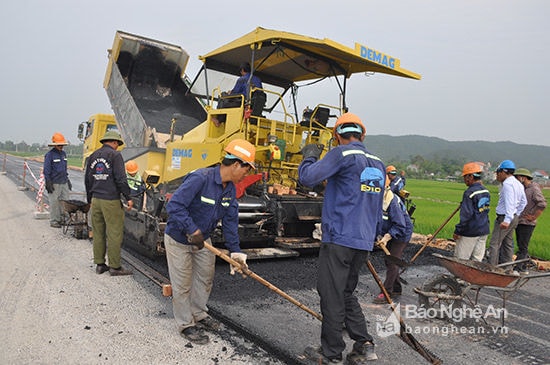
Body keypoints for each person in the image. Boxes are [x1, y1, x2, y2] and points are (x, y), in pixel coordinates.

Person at [298, 112, 382, 364]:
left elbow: (307, 178)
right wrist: (372, 236)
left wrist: (309, 156)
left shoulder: (341, 153)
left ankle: (331, 352)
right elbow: (374, 203)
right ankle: (364, 344)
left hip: (339, 238)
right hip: (363, 240)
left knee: (331, 293)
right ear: (362, 134)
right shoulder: (377, 163)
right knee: (346, 291)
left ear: (337, 136)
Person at [164, 139, 254, 345]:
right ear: (236, 164)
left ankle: (199, 312)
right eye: (246, 170)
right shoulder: (200, 178)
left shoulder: (230, 190)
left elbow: (230, 221)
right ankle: (186, 324)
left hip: (203, 240)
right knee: (182, 283)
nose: (246, 175)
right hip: (179, 238)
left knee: (205, 277)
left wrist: (235, 251)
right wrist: (191, 229)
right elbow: (175, 205)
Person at [85, 131, 134, 276]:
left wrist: (90, 200)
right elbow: (120, 179)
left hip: (96, 200)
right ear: (113, 142)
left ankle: (100, 265)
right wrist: (128, 197)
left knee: (98, 232)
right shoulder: (115, 155)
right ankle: (115, 267)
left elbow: (88, 179)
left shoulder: (93, 156)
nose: (118, 147)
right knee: (114, 233)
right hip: (110, 200)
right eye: (117, 144)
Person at [372, 178, 413, 304]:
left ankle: (386, 292)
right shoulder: (376, 199)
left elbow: (400, 226)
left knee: (392, 261)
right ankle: (396, 288)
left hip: (401, 233)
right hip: (389, 230)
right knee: (388, 259)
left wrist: (386, 237)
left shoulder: (392, 201)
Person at [487, 160, 527, 266]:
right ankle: (507, 268)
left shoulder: (507, 185)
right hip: (514, 217)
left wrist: (507, 219)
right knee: (507, 244)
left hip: (505, 218)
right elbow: (524, 202)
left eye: (498, 173)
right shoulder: (518, 184)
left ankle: (492, 268)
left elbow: (510, 203)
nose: (497, 176)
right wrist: (516, 214)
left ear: (503, 172)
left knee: (494, 244)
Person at [452, 162, 491, 262]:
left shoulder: (469, 193)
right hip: (484, 230)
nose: (464, 180)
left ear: (471, 176)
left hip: (471, 231)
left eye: (465, 177)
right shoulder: (485, 191)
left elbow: (466, 216)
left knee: (461, 259)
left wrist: (458, 231)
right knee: (476, 260)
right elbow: (485, 211)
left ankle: (460, 278)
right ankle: (472, 277)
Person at [514, 168, 547, 273]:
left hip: (527, 223)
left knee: (523, 246)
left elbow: (542, 204)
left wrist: (533, 216)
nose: (516, 179)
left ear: (523, 178)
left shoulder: (533, 189)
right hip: (521, 221)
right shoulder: (524, 188)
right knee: (521, 245)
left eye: (517, 177)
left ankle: (519, 268)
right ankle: (523, 267)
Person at [43, 132, 72, 228]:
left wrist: (67, 180)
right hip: (54, 182)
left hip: (63, 181)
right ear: (55, 145)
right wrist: (48, 182)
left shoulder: (63, 154)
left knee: (65, 201)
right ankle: (54, 221)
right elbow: (46, 170)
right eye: (59, 145)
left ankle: (63, 219)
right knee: (54, 202)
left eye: (62, 145)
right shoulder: (49, 155)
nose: (61, 146)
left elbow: (64, 168)